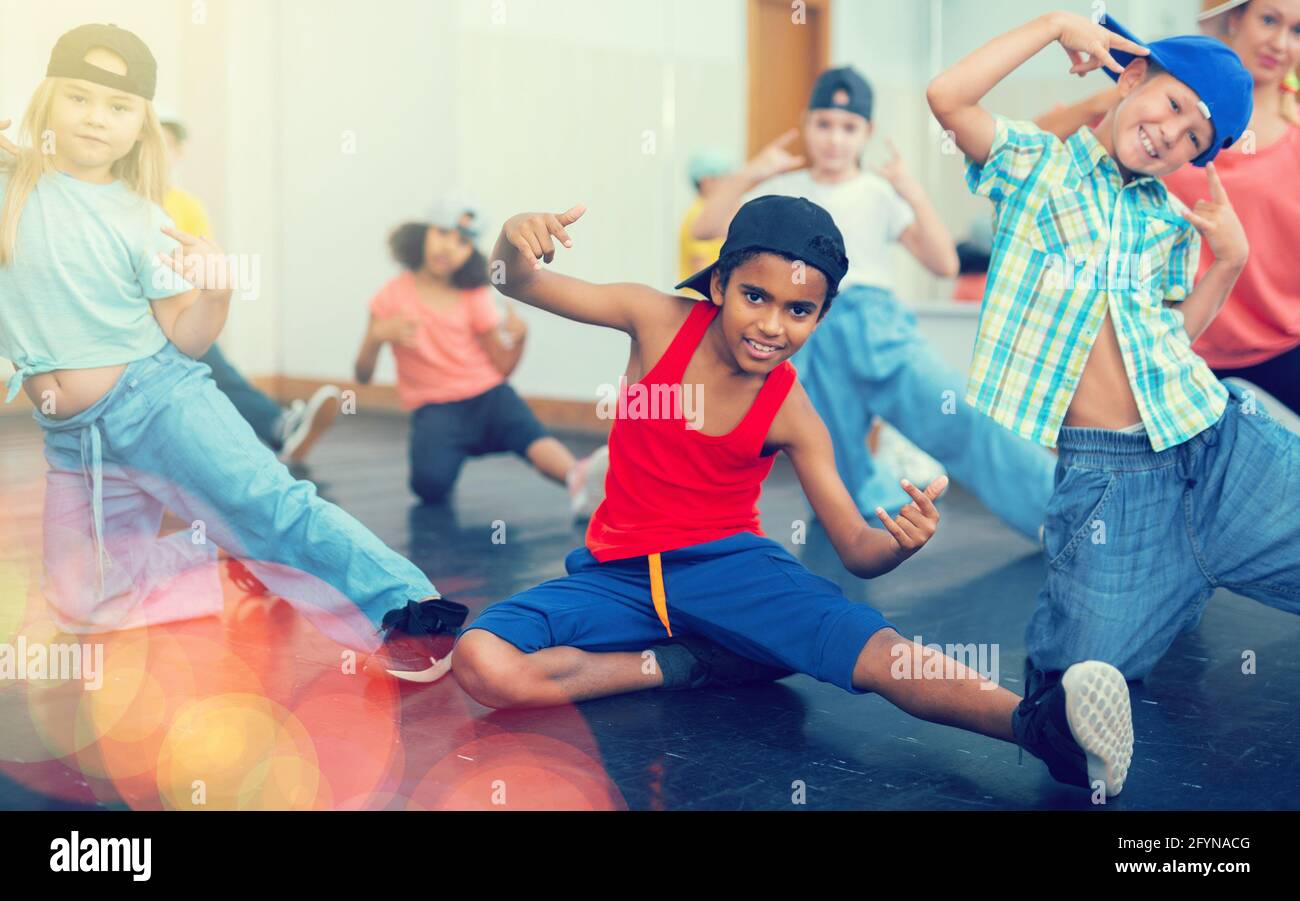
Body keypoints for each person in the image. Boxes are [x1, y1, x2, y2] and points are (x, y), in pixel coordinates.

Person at [420, 195, 1136, 797]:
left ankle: (1038, 726)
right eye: (755, 296)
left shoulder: (793, 410)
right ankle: (689, 662)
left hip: (734, 571)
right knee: (482, 660)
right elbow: (516, 282)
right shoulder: (653, 318)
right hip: (621, 576)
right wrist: (515, 241)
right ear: (719, 283)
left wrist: (899, 539)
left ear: (819, 319)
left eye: (798, 310)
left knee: (882, 653)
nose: (771, 324)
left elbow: (856, 550)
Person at [0, 24, 454, 682]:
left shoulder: (143, 217)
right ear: (47, 101)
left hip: (160, 403)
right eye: (78, 97)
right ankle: (222, 567)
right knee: (77, 602)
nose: (95, 117)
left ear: (140, 126)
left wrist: (215, 293)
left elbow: (186, 336)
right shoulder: (13, 188)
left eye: (118, 106)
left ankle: (406, 609)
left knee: (270, 506)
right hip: (74, 440)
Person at [929, 10, 1300, 716]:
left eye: (1196, 138)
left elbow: (1170, 341)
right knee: (1067, 695)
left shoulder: (1165, 218)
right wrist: (1055, 26)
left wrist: (1230, 261)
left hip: (1216, 442)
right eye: (1172, 104)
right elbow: (948, 97)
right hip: (1111, 480)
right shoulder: (1035, 164)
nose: (1173, 133)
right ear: (1130, 78)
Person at [692, 67, 1055, 542]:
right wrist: (752, 171)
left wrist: (910, 189)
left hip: (877, 326)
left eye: (848, 128)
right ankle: (857, 514)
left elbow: (945, 263)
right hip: (812, 333)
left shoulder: (878, 192)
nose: (835, 139)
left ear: (866, 133)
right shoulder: (783, 193)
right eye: (823, 124)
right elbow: (705, 226)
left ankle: (1058, 512)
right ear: (806, 124)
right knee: (830, 461)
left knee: (960, 417)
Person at [1033, 0, 1300, 419]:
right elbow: (1025, 156)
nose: (1280, 44)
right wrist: (1106, 100)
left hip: (1284, 356)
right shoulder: (1158, 119)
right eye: (1269, 20)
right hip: (1171, 349)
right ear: (1234, 18)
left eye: (1298, 31)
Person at [353, 200, 607, 515]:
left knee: (531, 434)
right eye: (442, 233)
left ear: (470, 252)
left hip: (488, 396)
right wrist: (378, 336)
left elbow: (503, 367)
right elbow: (362, 374)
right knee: (427, 488)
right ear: (423, 234)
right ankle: (455, 450)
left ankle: (580, 480)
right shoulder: (389, 297)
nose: (448, 247)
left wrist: (520, 339)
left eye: (461, 242)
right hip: (435, 409)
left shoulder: (473, 295)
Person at [159, 116, 341, 463]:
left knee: (204, 359)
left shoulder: (187, 206)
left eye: (166, 144)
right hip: (143, 311)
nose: (157, 151)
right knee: (205, 363)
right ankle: (277, 426)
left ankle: (275, 428)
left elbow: (202, 266)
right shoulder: (123, 200)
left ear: (178, 153)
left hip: (174, 308)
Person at [678, 151, 734, 281]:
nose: (728, 185)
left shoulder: (709, 211)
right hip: (701, 296)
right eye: (723, 178)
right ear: (705, 181)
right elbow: (699, 267)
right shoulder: (700, 215)